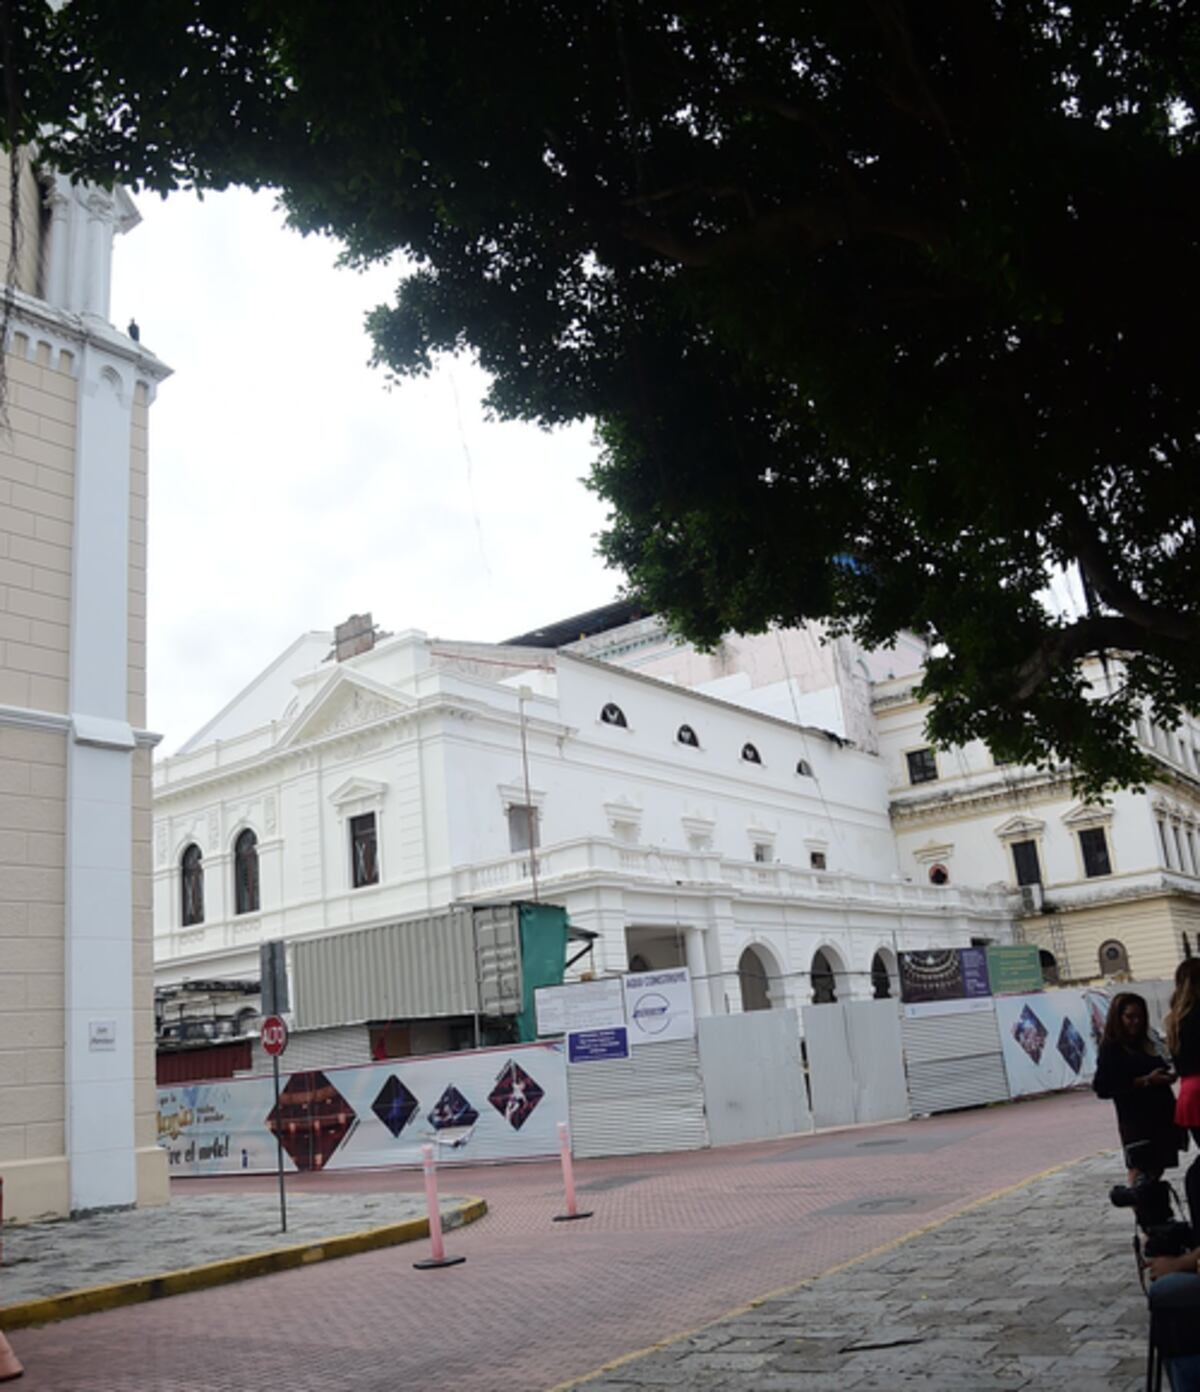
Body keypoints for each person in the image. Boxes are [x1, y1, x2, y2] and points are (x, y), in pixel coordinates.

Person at [1093, 991, 1180, 1182]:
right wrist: (1145, 1080)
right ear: (1119, 1018)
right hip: (1136, 1121)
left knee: (1156, 1169)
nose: (1136, 1022)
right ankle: (1142, 1210)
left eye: (1140, 1016)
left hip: (1161, 1116)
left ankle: (1153, 1209)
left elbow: (1163, 1063)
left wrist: (1166, 1075)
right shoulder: (1112, 1048)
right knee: (1140, 1172)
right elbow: (1103, 1086)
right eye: (1130, 1017)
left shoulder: (1147, 1041)